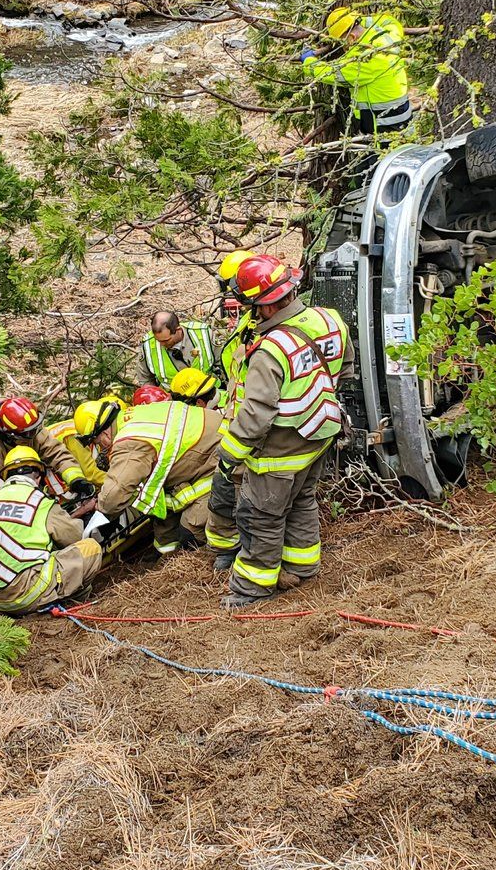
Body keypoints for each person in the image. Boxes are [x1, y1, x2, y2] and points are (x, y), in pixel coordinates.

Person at [210, 255, 346, 608]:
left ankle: (251, 589)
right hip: (320, 435)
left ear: (265, 306)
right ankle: (303, 565)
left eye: (250, 306)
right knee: (302, 501)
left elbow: (256, 416)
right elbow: (344, 369)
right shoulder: (329, 319)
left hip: (280, 451)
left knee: (261, 516)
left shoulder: (270, 350)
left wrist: (229, 456)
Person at [0, 446, 104, 614]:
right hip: (24, 595)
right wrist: (83, 515)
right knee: (90, 548)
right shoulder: (40, 502)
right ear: (38, 478)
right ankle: (73, 601)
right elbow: (73, 536)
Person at [80, 391, 220, 557]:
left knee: (190, 531)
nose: (100, 448)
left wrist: (101, 509)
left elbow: (117, 490)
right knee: (166, 516)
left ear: (104, 433)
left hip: (218, 461)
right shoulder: (134, 416)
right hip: (208, 450)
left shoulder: (129, 441)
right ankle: (166, 558)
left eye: (97, 443)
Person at [301, 4, 413, 135]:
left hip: (384, 126)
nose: (343, 48)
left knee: (378, 156)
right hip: (402, 117)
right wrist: (362, 20)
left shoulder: (365, 59)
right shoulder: (388, 35)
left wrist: (309, 63)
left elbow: (334, 74)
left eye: (342, 42)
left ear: (352, 37)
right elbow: (391, 21)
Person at [0, 395, 86, 493]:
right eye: (30, 432)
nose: (35, 434)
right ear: (10, 436)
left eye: (36, 429)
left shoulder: (29, 430)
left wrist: (76, 479)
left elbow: (56, 453)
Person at [134, 309, 217, 389]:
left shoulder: (204, 334)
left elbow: (223, 364)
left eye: (166, 340)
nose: (162, 344)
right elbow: (145, 379)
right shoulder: (148, 345)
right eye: (158, 341)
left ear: (178, 330)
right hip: (173, 400)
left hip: (209, 393)